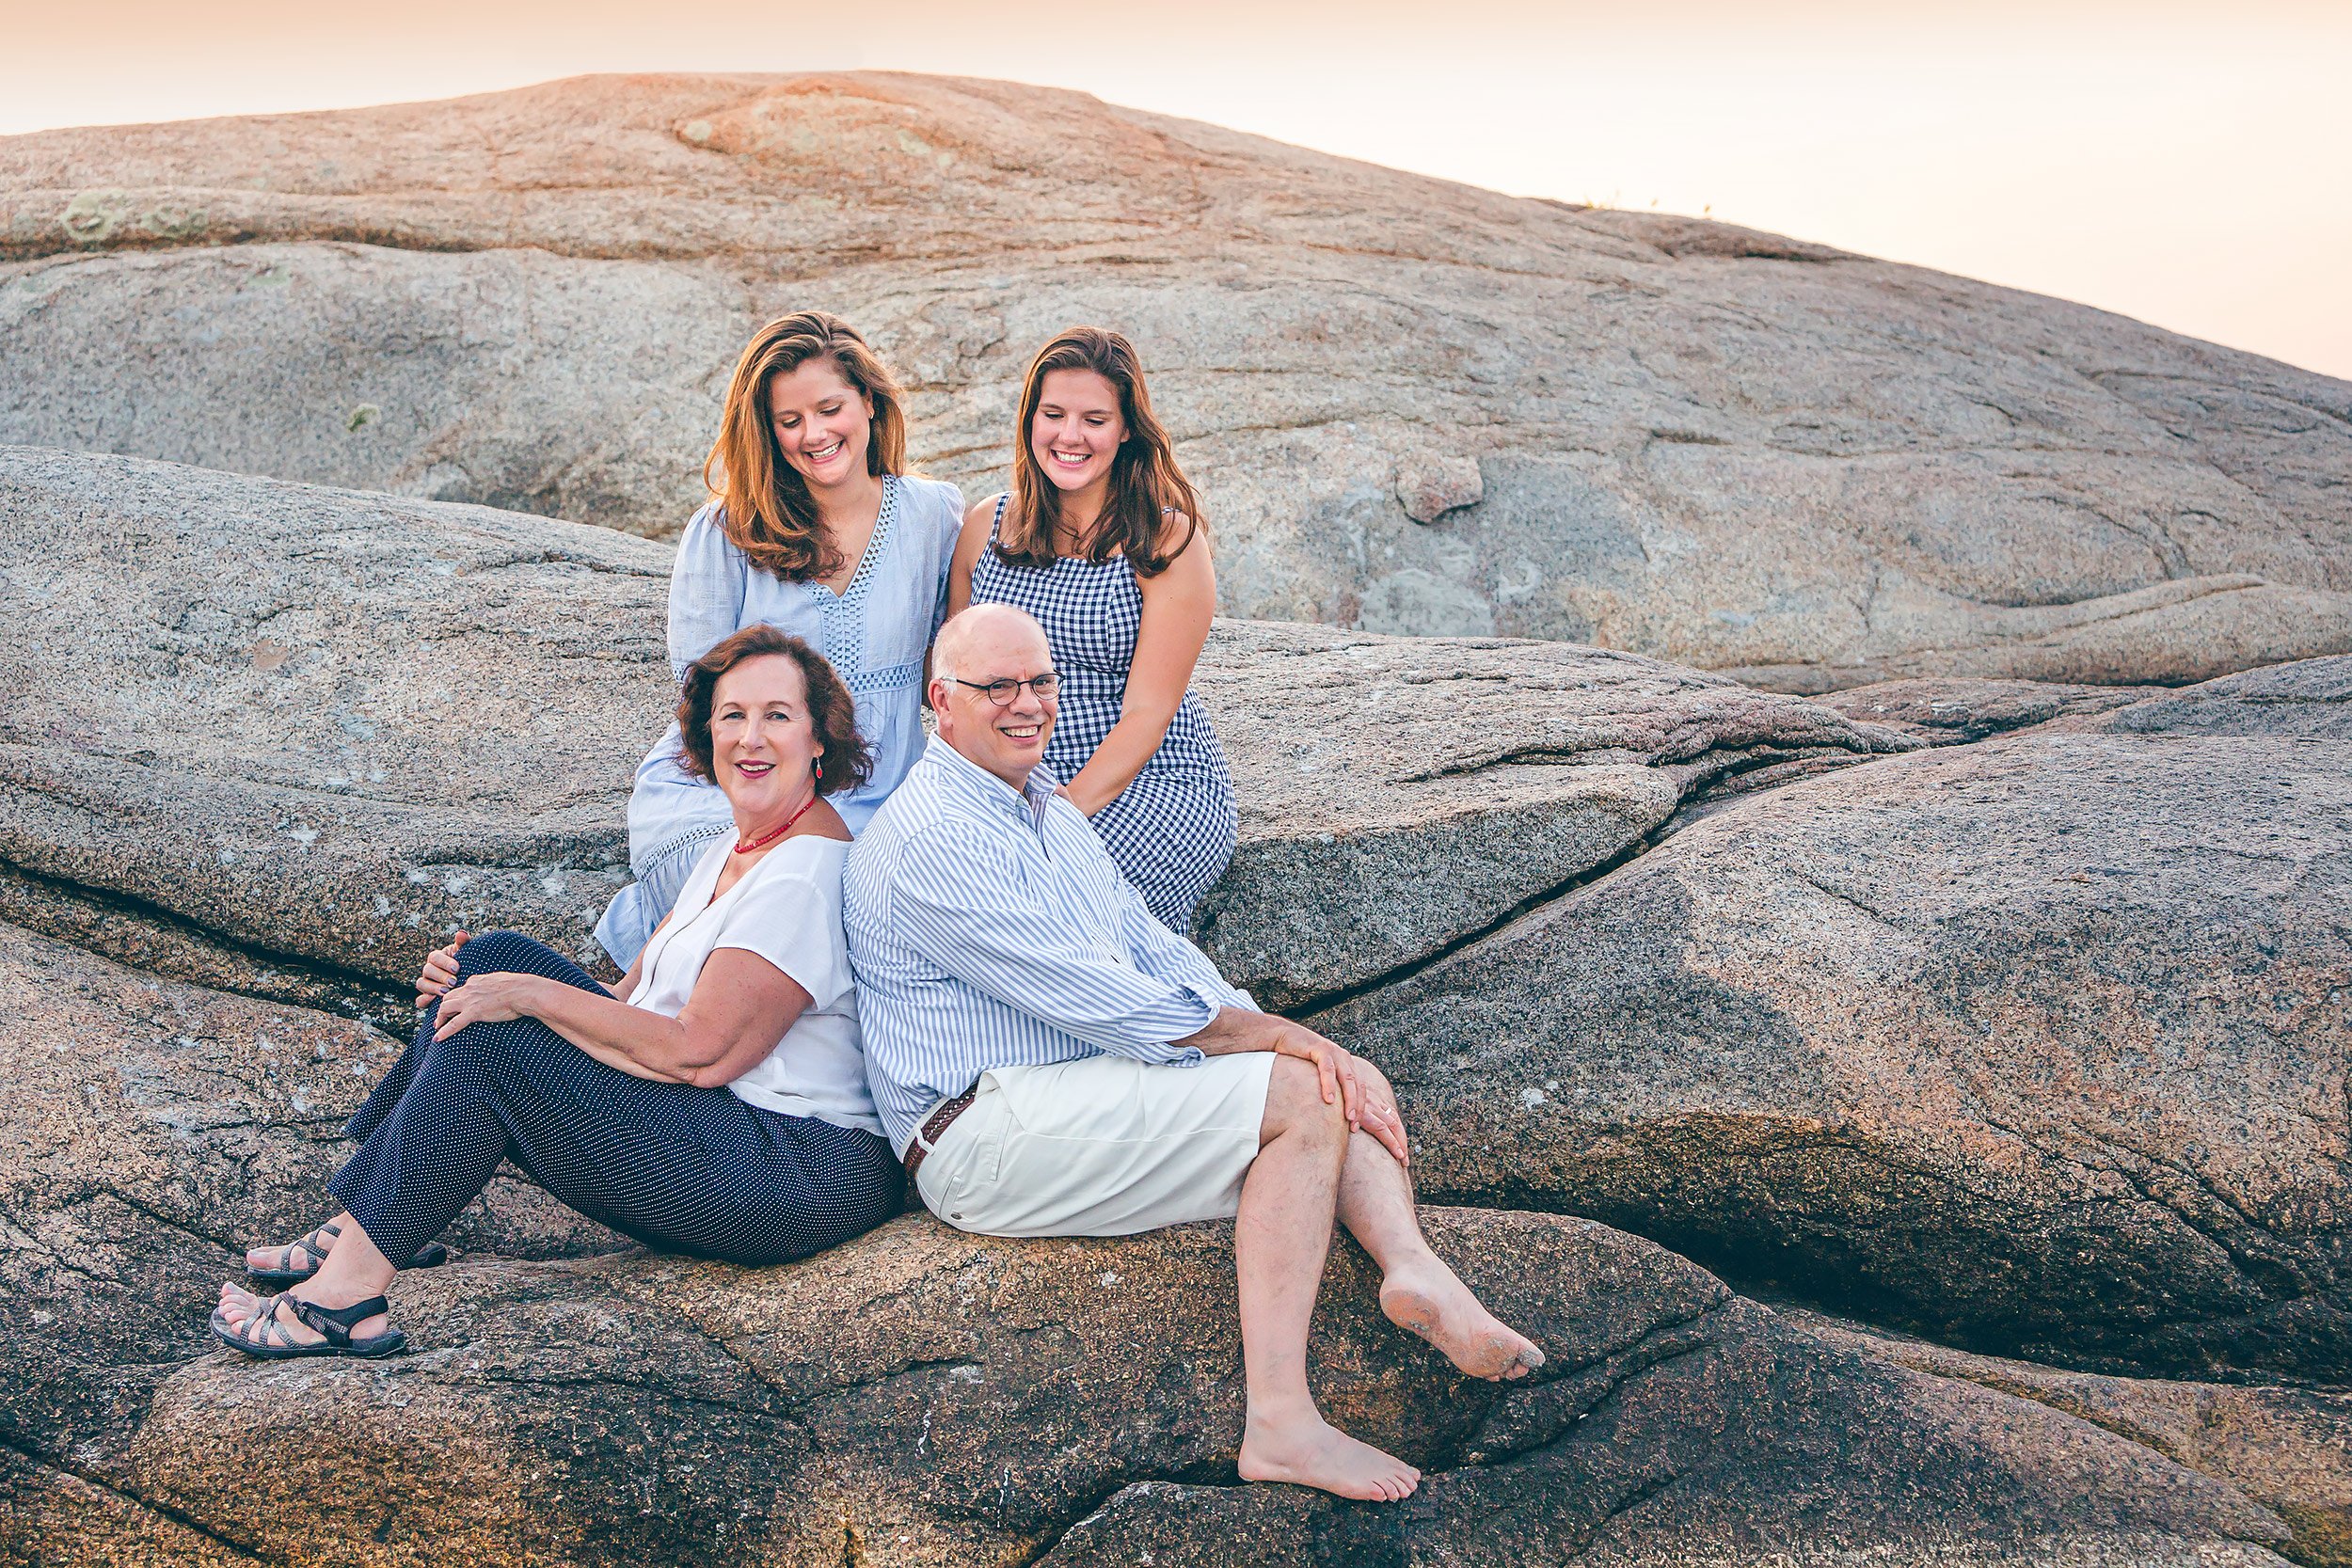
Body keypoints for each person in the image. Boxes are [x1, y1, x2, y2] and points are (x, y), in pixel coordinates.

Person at [843, 604, 1544, 1502]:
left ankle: (1414, 1269)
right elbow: (1101, 999)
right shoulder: (927, 839)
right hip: (983, 1131)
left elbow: (1155, 951)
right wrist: (1289, 1041)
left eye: (1041, 682)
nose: (1027, 703)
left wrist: (1297, 1040)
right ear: (942, 700)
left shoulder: (1045, 808)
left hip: (1077, 1095)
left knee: (1317, 1082)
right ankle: (1281, 1423)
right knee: (1304, 1090)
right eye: (997, 687)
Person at [215, 627, 902, 1359]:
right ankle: (373, 1219)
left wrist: (527, 999)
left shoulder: (803, 874)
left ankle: (344, 1298)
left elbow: (701, 1052)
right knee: (486, 960)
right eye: (731, 715)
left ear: (819, 738)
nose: (750, 736)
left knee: (497, 1037)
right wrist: (486, 980)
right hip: (733, 1126)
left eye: (777, 715)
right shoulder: (731, 851)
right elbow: (625, 1001)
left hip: (794, 1170)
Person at [598, 310, 966, 968]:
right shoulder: (725, 533)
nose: (815, 434)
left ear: (871, 404)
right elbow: (702, 704)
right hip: (733, 788)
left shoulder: (934, 515)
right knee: (775, 896)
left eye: (831, 408)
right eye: (790, 421)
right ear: (765, 431)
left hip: (882, 796)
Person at [948, 326, 1234, 931]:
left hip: (1143, 783)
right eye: (1052, 414)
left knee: (1058, 918)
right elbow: (955, 685)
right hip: (1007, 781)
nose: (1069, 436)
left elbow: (1148, 714)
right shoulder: (987, 527)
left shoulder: (1166, 542)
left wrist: (1057, 820)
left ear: (1127, 428)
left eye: (1094, 419)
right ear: (1030, 420)